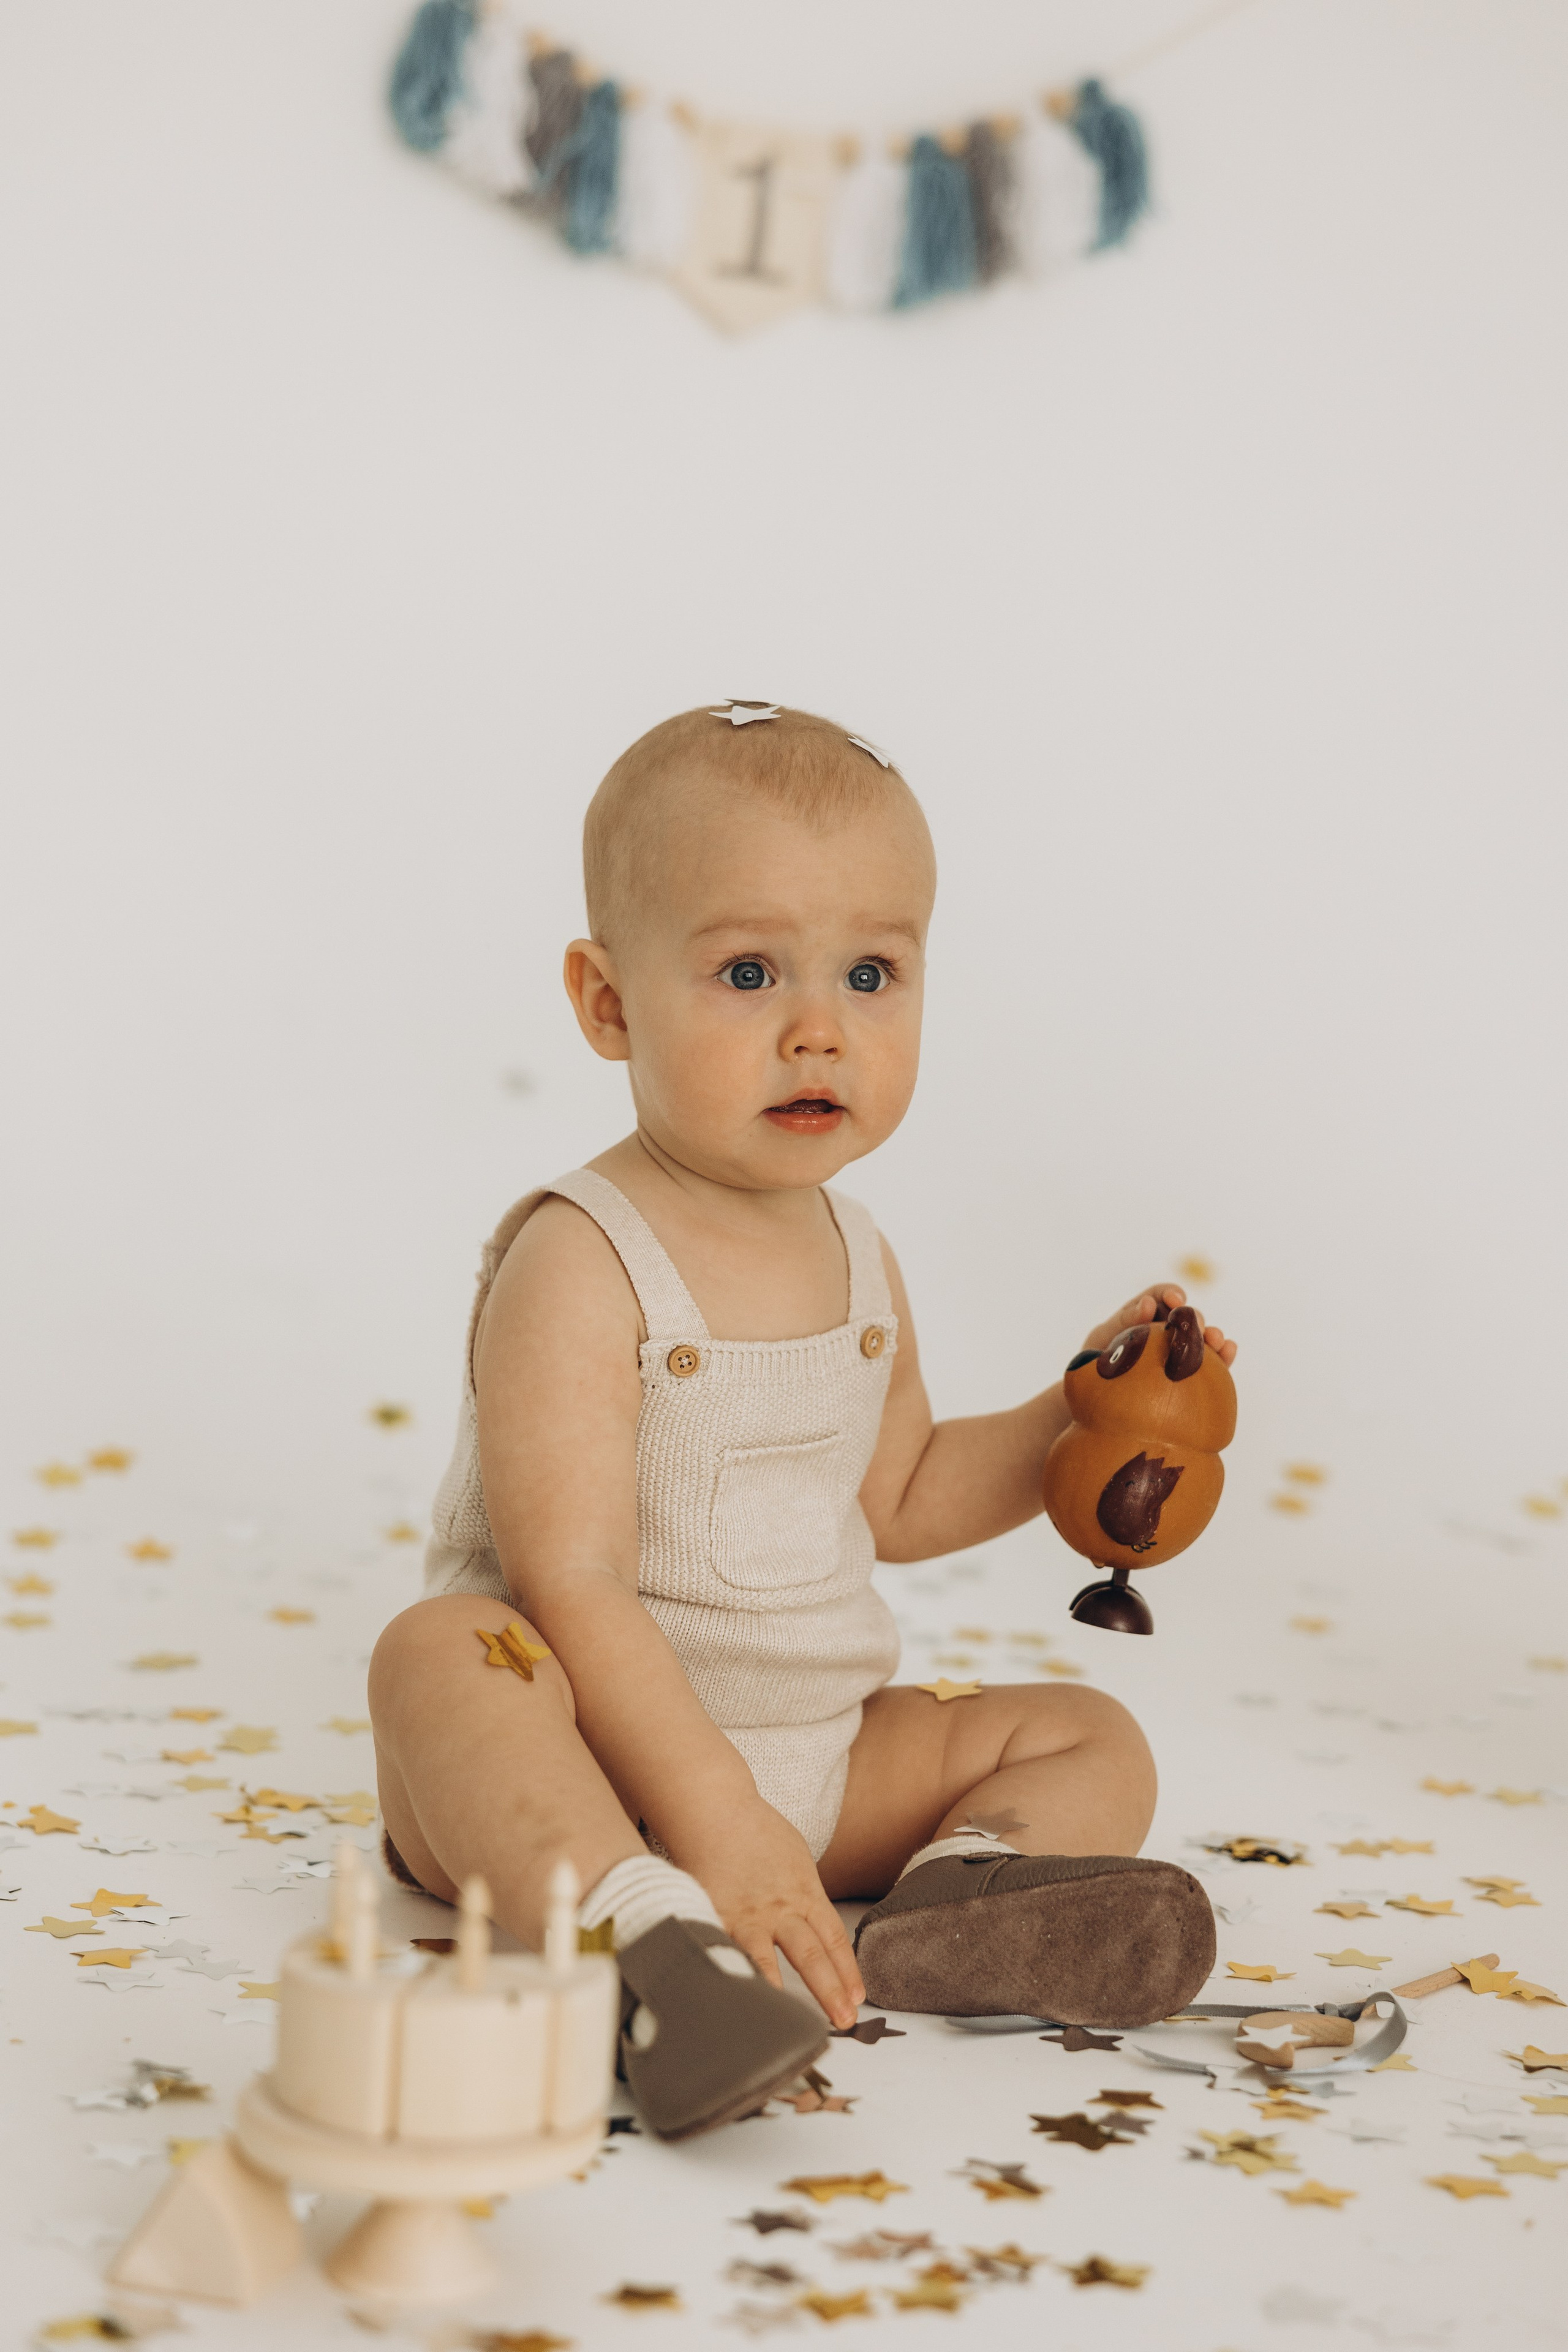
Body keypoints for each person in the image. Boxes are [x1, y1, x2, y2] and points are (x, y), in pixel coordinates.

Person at [369, 702, 1236, 2139]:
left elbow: (894, 1496)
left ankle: (952, 1907)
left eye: (872, 972)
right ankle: (646, 1951)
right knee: (443, 1659)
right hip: (577, 1762)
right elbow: (564, 1583)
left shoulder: (856, 1254)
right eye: (749, 969)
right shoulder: (579, 1262)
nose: (818, 1026)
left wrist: (1075, 1418)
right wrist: (709, 1823)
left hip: (811, 1762)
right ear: (607, 1003)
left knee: (1089, 1736)